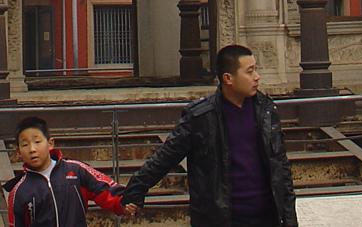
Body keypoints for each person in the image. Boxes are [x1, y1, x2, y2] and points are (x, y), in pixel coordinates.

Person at [122, 45, 298, 227]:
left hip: (266, 218)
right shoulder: (201, 116)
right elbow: (166, 156)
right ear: (228, 78)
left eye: (256, 69)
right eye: (250, 71)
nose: (256, 77)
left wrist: (290, 219)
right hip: (221, 219)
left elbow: (281, 167)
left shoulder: (266, 110)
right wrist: (136, 189)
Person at [3, 115, 138, 227]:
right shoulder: (19, 191)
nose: (32, 149)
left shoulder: (75, 170)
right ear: (19, 152)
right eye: (25, 145)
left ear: (50, 144)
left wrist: (125, 203)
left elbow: (106, 190)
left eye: (37, 142)